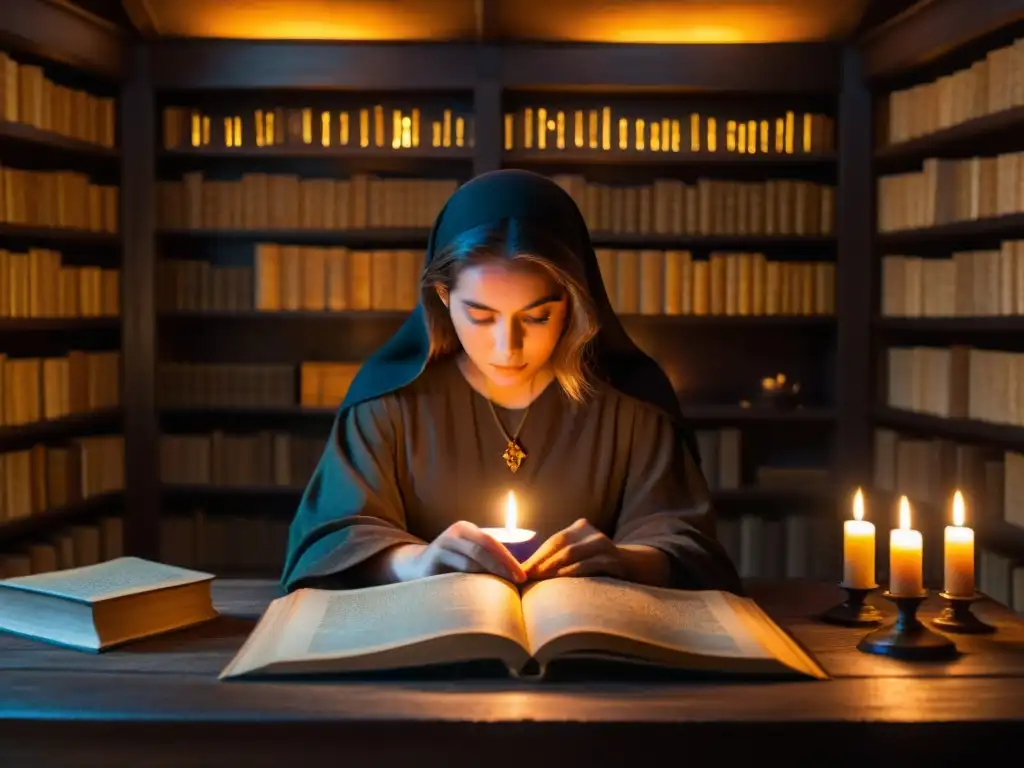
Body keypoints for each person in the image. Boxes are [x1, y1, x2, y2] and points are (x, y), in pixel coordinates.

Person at [281, 169, 742, 595]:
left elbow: (689, 544)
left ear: (576, 303)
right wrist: (413, 562)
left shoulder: (632, 405)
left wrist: (628, 561)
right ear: (444, 297)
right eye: (480, 316)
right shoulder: (388, 404)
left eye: (538, 316)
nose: (508, 348)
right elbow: (330, 541)